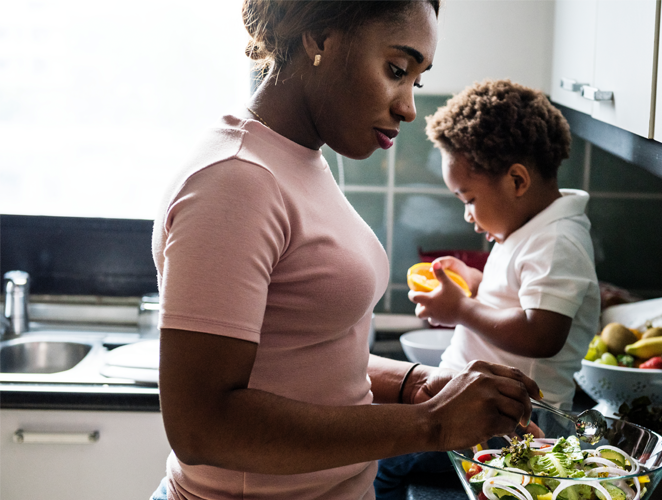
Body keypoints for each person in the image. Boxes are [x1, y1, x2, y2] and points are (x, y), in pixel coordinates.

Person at [149, 3, 543, 500]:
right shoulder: (235, 181)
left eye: (416, 82)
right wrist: (431, 424)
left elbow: (303, 357)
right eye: (397, 70)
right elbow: (203, 427)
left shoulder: (297, 158)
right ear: (318, 37)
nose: (408, 107)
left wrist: (416, 383)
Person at [375, 79, 601, 498]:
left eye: (469, 198)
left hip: (509, 424)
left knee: (380, 462)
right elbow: (515, 297)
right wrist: (473, 283)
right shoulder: (528, 230)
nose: (467, 215)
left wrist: (461, 310)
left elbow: (541, 333)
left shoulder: (556, 242)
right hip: (482, 411)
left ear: (517, 181)